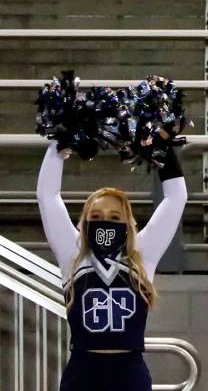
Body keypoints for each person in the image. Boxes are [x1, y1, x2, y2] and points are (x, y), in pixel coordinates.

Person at [37, 139, 187, 391]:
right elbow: (47, 196)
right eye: (95, 217)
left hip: (128, 372)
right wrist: (58, 144)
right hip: (83, 371)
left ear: (128, 222)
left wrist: (161, 145)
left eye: (114, 217)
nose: (104, 223)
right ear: (84, 222)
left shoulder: (142, 253)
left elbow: (176, 198)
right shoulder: (73, 254)